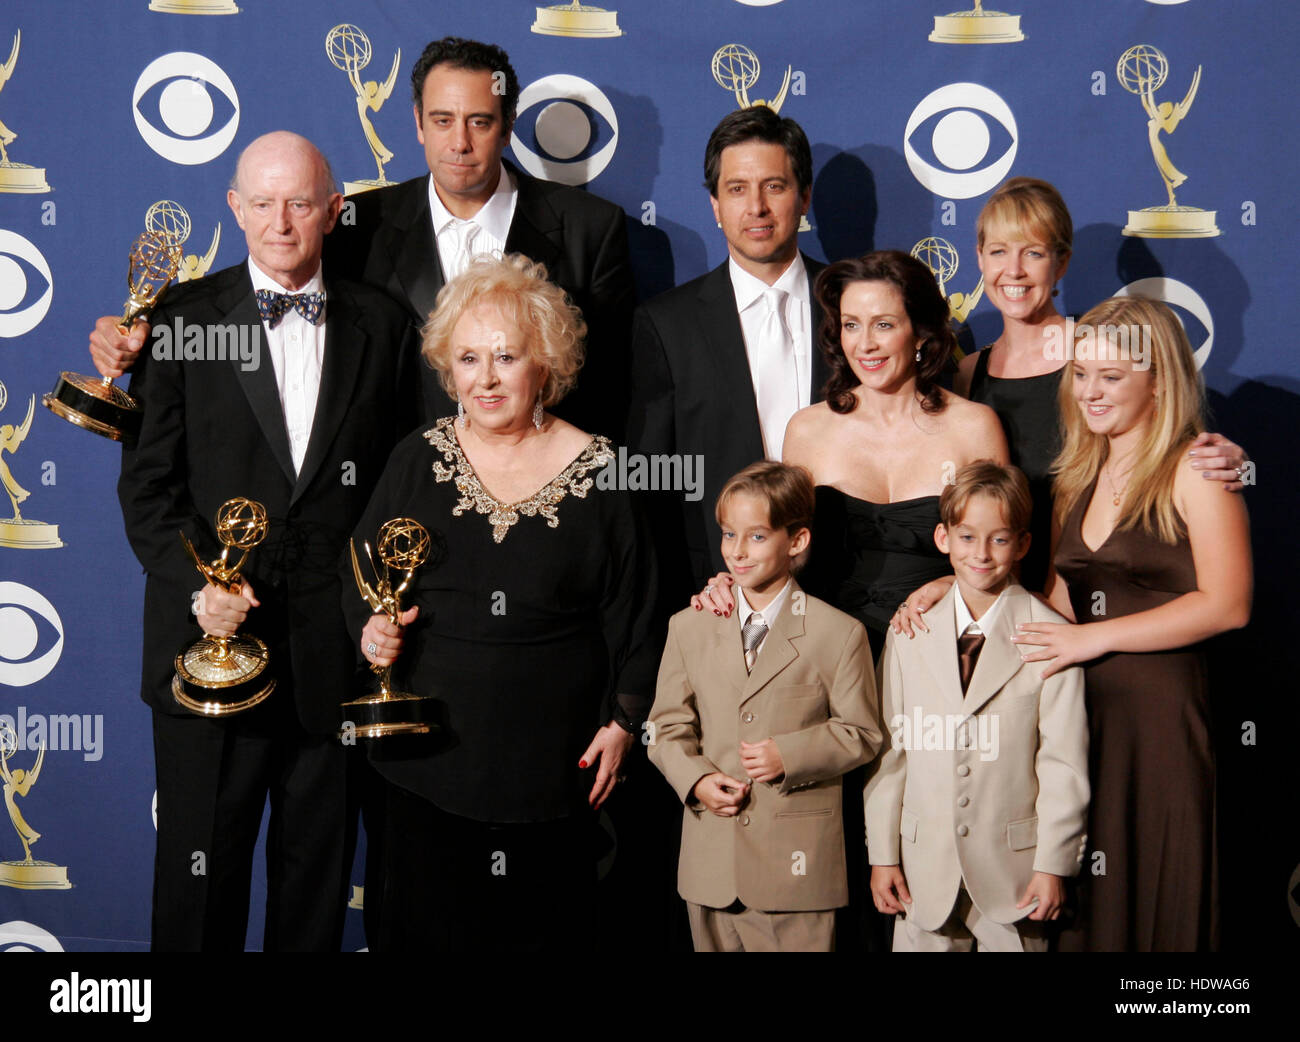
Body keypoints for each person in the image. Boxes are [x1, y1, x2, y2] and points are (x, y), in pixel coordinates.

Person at [117, 131, 421, 950]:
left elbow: (401, 492)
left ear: (331, 209)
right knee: (196, 886)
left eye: (298, 203)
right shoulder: (180, 321)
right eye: (262, 203)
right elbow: (148, 486)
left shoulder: (386, 327)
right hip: (206, 651)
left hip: (334, 656)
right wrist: (197, 590)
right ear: (234, 210)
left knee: (314, 888)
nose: (280, 223)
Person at [89, 37, 635, 440]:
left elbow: (611, 390)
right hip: (390, 496)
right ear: (418, 123)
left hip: (542, 492)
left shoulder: (590, 228)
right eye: (442, 120)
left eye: (480, 122)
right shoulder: (355, 222)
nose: (459, 142)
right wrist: (143, 337)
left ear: (509, 125)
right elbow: (256, 299)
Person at [346, 254, 658, 952]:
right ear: (446, 368)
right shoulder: (415, 459)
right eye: (467, 359)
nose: (485, 379)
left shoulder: (606, 471)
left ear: (544, 363)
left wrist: (623, 723)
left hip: (554, 772)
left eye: (506, 357)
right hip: (425, 770)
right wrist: (373, 635)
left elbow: (636, 612)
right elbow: (361, 575)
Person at [1010, 296, 1250, 951]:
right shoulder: (1074, 478)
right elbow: (1057, 597)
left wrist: (1093, 637)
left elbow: (1229, 604)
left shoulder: (1197, 470)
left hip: (1163, 726)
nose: (1090, 391)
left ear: (1160, 380)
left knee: (1159, 889)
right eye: (1081, 374)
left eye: (1111, 377)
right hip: (1082, 720)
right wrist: (954, 590)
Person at [953, 177, 1249, 590]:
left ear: (1062, 263)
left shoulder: (1101, 351)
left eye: (1033, 253)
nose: (1014, 270)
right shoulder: (965, 374)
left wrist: (1227, 458)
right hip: (997, 598)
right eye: (999, 251)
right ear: (980, 258)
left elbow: (1170, 450)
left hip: (1091, 599)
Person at [648, 461, 880, 951]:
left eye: (756, 537)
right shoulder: (689, 626)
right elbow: (665, 728)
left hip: (796, 875)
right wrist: (695, 779)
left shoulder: (838, 633)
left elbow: (863, 732)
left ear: (796, 541)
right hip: (711, 862)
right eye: (729, 534)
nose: (736, 551)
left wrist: (789, 755)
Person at [864, 461, 1089, 952]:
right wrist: (883, 854)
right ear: (943, 538)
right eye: (967, 538)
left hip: (1014, 877)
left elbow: (1063, 763)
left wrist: (1054, 864)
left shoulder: (1052, 638)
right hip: (924, 875)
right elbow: (891, 754)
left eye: (999, 539)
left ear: (1024, 544)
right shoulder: (909, 633)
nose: (981, 555)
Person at [626, 107, 827, 601]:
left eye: (774, 187)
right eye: (737, 189)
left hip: (845, 588)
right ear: (715, 204)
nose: (755, 207)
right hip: (716, 597)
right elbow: (650, 479)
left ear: (804, 197)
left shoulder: (854, 307)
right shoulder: (666, 324)